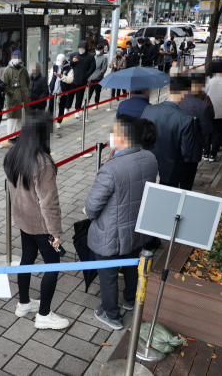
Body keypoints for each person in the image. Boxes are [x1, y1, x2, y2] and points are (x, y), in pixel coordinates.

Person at [85, 115, 158, 330]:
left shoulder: (111, 168)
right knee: (130, 265)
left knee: (107, 274)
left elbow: (91, 207)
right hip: (136, 227)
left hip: (110, 233)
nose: (110, 136)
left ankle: (112, 315)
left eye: (114, 132)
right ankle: (129, 300)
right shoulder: (149, 158)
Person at [3, 112, 69, 330]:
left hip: (23, 220)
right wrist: (56, 232)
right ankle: (44, 314)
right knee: (52, 265)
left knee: (27, 259)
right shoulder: (42, 162)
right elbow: (49, 203)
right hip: (41, 225)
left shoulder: (14, 153)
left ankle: (23, 303)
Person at [141, 76, 195, 187]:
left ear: (169, 89)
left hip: (146, 165)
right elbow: (186, 152)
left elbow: (139, 138)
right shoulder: (186, 119)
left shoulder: (148, 109)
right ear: (185, 93)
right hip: (171, 172)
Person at [177, 74, 213, 190]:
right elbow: (207, 130)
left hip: (175, 147)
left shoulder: (177, 101)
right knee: (187, 182)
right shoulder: (203, 106)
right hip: (193, 150)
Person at [2, 50, 30, 143]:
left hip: (23, 99)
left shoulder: (23, 69)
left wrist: (27, 92)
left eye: (19, 58)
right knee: (12, 118)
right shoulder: (7, 71)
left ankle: (18, 135)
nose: (17, 60)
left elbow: (27, 81)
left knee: (20, 118)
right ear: (11, 58)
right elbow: (5, 86)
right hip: (13, 100)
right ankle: (11, 136)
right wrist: (13, 94)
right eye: (15, 58)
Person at [69, 40, 97, 117]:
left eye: (83, 48)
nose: (81, 49)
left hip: (82, 81)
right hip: (72, 79)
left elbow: (93, 67)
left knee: (79, 96)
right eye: (80, 48)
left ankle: (77, 111)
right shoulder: (74, 55)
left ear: (86, 48)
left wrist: (86, 75)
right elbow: (68, 64)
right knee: (70, 95)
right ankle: (66, 108)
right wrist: (73, 61)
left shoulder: (90, 57)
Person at [49, 53, 74, 129]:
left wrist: (62, 76)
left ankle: (59, 122)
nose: (59, 65)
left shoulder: (69, 68)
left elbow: (70, 80)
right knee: (50, 106)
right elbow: (50, 76)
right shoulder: (55, 66)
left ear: (64, 61)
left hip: (63, 91)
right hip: (54, 90)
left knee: (61, 107)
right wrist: (50, 85)